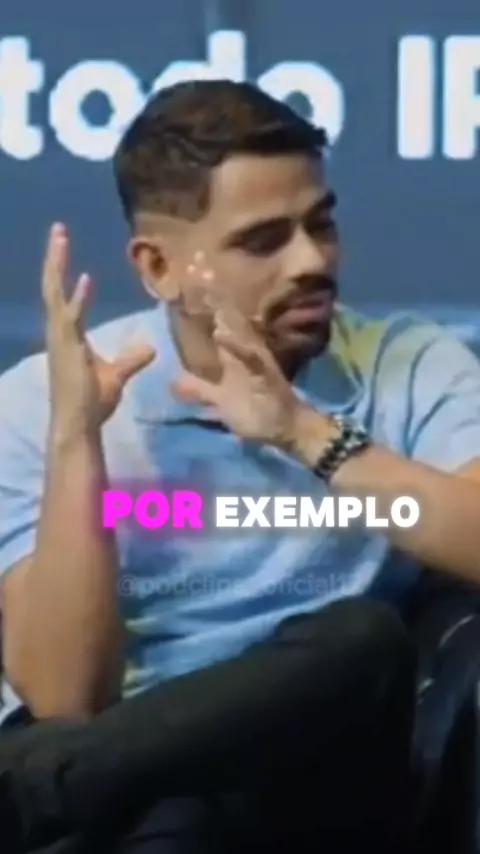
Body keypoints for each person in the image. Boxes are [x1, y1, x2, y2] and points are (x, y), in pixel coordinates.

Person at [0, 79, 480, 852]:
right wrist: (76, 442)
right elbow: (65, 695)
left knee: (363, 641)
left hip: (322, 783)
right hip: (140, 795)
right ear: (159, 268)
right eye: (264, 242)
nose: (312, 260)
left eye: (321, 225)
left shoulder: (409, 366)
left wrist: (303, 432)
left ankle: (36, 789)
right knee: (176, 821)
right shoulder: (44, 402)